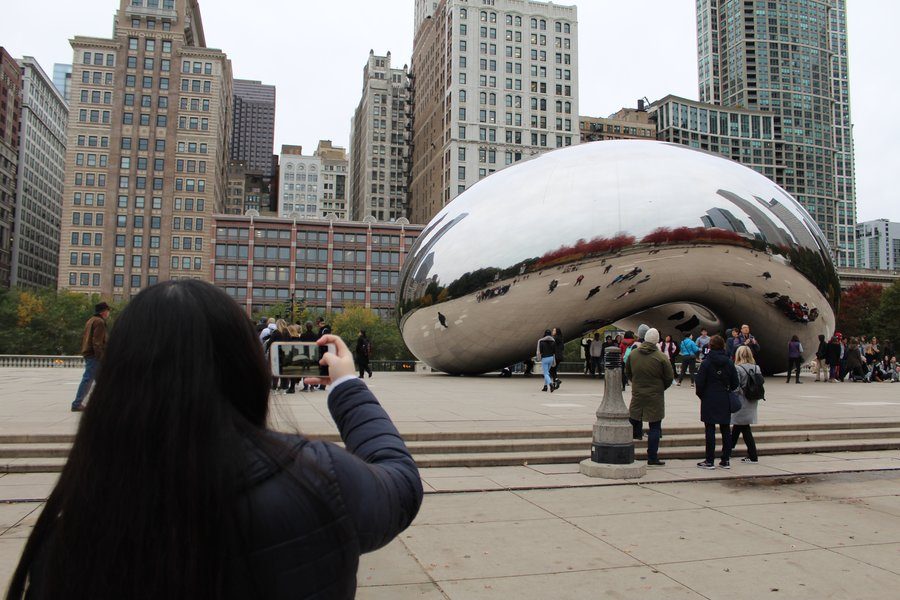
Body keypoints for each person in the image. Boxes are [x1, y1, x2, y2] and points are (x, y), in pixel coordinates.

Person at [9, 280, 423, 599]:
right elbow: (400, 484)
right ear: (243, 367)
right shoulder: (317, 478)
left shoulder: (64, 537)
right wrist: (347, 387)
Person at [624, 328, 673, 466]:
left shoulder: (633, 354)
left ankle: (625, 452)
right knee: (655, 426)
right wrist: (660, 387)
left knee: (632, 423)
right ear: (657, 340)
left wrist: (636, 383)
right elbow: (669, 377)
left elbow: (627, 372)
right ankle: (652, 457)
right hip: (655, 395)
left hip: (638, 393)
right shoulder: (661, 357)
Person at [695, 335, 738, 469]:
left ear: (710, 346)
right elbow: (735, 382)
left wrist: (703, 395)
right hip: (724, 396)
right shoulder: (729, 362)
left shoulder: (706, 362)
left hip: (709, 397)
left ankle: (709, 460)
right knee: (725, 429)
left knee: (710, 429)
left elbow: (699, 383)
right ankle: (725, 459)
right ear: (723, 346)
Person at [71, 302, 111, 412]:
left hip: (89, 353)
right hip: (94, 355)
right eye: (108, 311)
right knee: (88, 379)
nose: (108, 313)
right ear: (104, 312)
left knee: (101, 380)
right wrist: (101, 357)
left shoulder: (91, 320)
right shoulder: (100, 322)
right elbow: (97, 342)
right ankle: (77, 403)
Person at [731, 346, 762, 463]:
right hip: (752, 400)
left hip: (741, 400)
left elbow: (736, 387)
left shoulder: (737, 368)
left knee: (743, 426)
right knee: (739, 425)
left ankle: (753, 455)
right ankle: (728, 449)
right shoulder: (756, 367)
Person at [299, 321, 318, 391]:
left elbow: (300, 345)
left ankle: (306, 386)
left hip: (305, 354)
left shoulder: (303, 335)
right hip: (312, 354)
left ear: (306, 327)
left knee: (305, 370)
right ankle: (312, 386)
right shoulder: (315, 335)